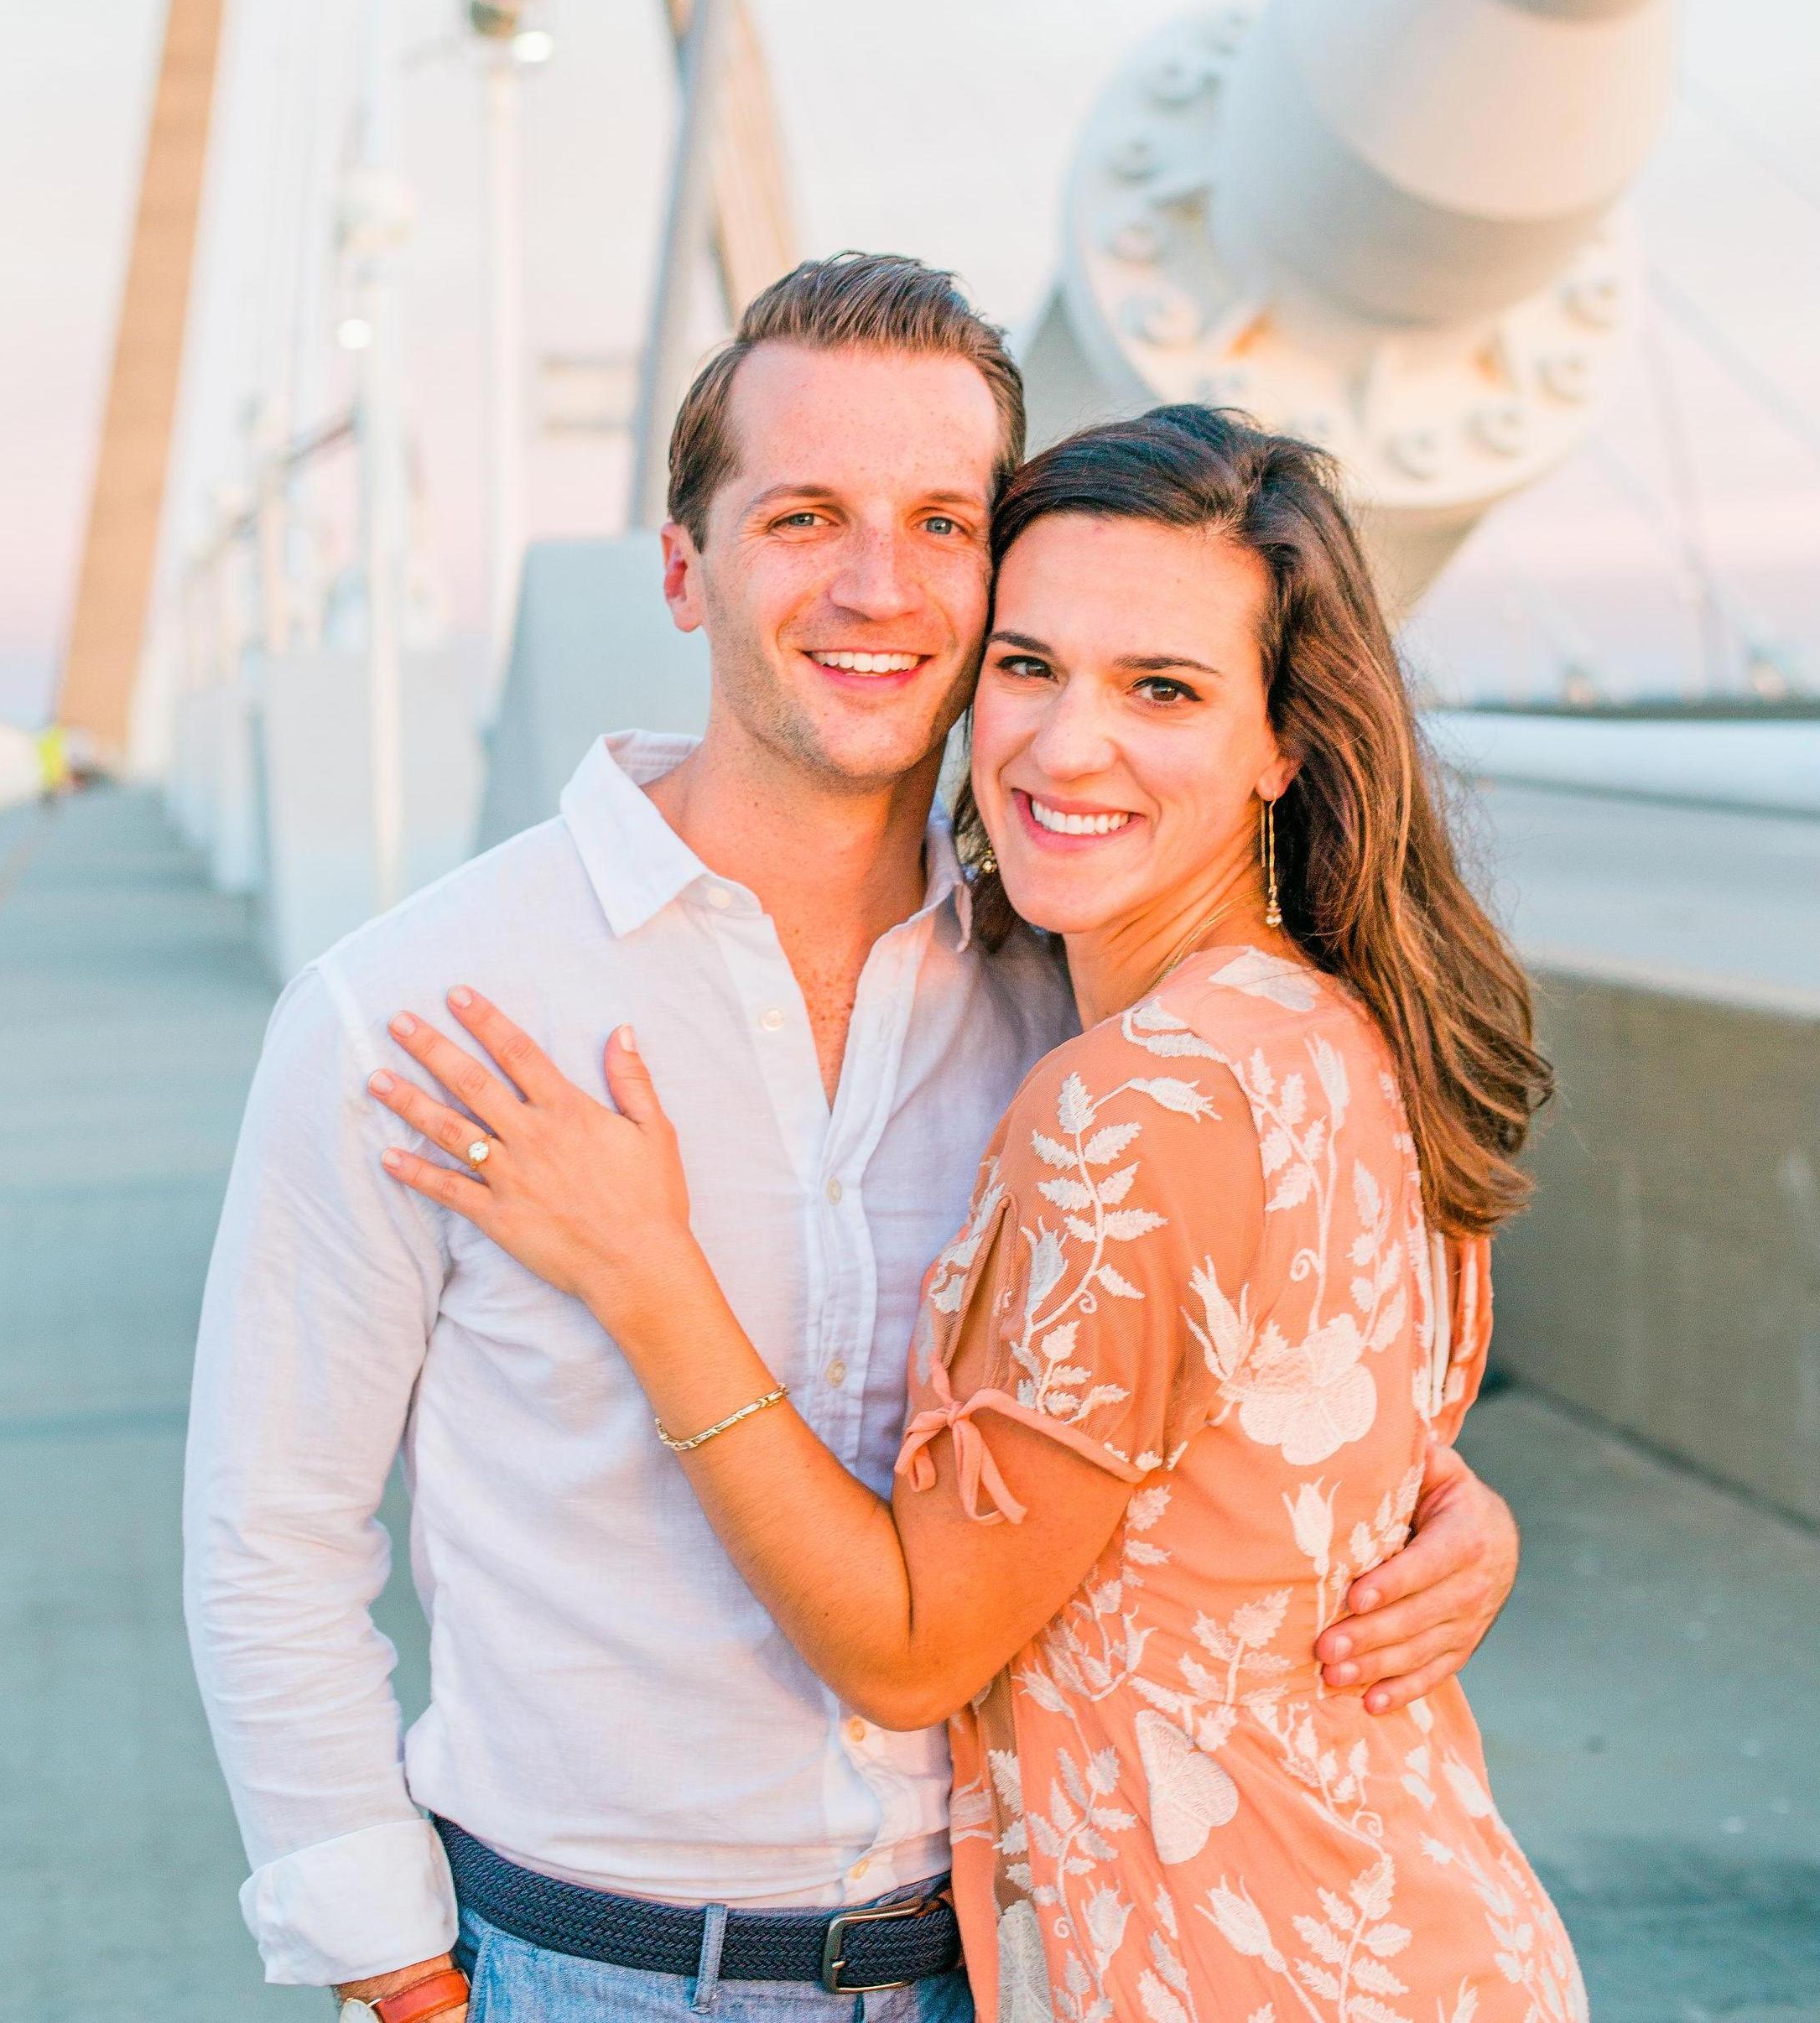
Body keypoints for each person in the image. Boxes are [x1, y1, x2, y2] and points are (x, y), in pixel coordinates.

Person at [186, 257, 1522, 2023]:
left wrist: (1434, 1512)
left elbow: (1214, 1422)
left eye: (940, 524)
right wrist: (384, 1959)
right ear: (686, 565)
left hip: (1004, 1958)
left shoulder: (1084, 1014)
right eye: (803, 516)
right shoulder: (416, 1009)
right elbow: (269, 1530)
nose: (877, 586)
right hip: (593, 1972)